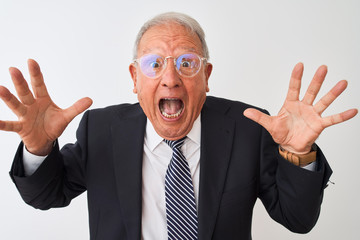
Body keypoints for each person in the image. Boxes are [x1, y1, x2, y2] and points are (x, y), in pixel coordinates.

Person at [0, 12, 357, 240]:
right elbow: (46, 197)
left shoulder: (250, 128)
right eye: (154, 64)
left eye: (187, 63)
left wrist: (297, 153)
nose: (170, 78)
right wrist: (39, 148)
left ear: (206, 75)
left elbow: (298, 220)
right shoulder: (100, 129)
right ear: (135, 78)